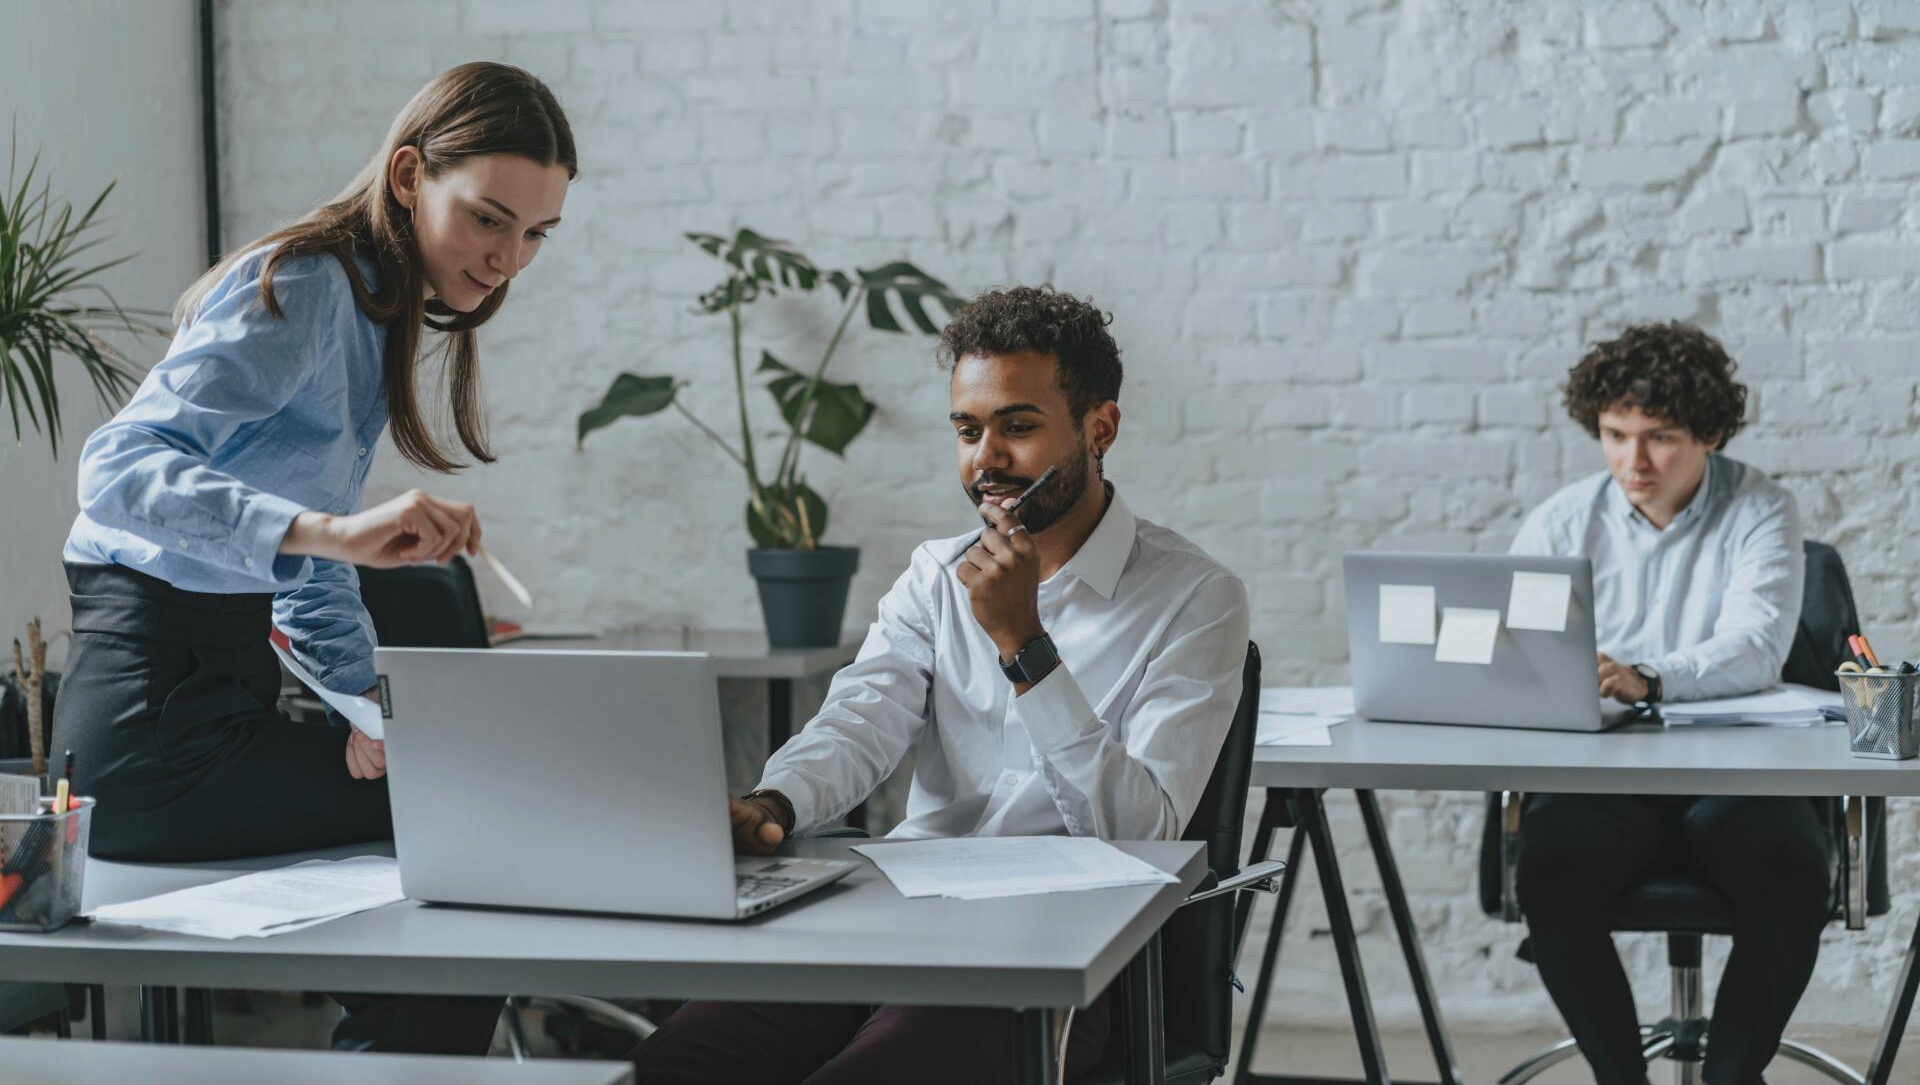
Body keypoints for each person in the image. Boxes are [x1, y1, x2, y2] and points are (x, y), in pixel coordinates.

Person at [53, 61, 575, 1054]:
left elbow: (310, 560)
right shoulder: (305, 283)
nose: (509, 259)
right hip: (150, 732)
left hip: (213, 702)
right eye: (489, 219)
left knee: (463, 827)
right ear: (411, 175)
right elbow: (114, 469)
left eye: (536, 234)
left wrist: (367, 706)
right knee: (473, 827)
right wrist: (329, 532)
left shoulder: (370, 303)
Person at [633, 286, 1251, 1083]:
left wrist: (1024, 644)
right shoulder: (934, 573)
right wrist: (776, 801)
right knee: (675, 1064)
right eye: (967, 430)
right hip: (897, 913)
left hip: (1061, 951)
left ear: (1099, 428)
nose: (985, 459)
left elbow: (1143, 831)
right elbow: (860, 719)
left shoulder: (1196, 597)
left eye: (1017, 427)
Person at [1508, 322, 1821, 1085]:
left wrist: (1645, 678)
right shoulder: (1560, 521)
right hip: (1603, 780)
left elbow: (1756, 647)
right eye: (1615, 435)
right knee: (1550, 871)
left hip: (1735, 779)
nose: (1633, 461)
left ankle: (1730, 1077)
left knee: (1792, 873)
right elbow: (1517, 657)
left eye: (1660, 438)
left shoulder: (1760, 509)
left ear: (1708, 433)